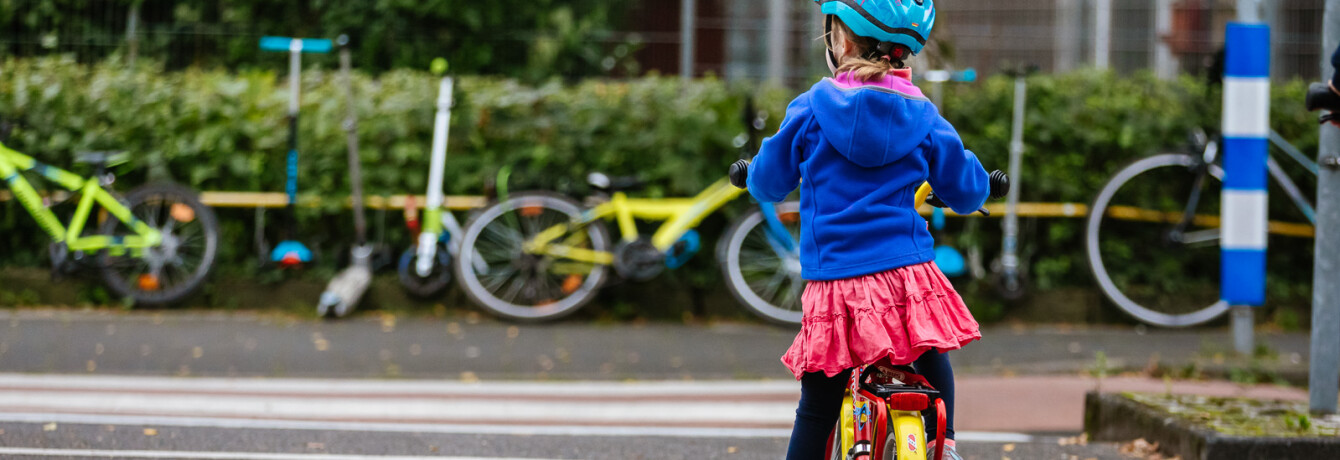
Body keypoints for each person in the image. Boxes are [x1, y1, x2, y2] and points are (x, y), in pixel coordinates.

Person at [744, 1, 989, 459]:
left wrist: (753, 172)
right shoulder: (924, 116)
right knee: (931, 354)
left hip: (835, 281)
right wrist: (977, 189)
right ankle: (945, 442)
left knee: (817, 408)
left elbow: (768, 183)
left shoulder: (810, 110)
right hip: (905, 275)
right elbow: (968, 191)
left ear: (843, 39)